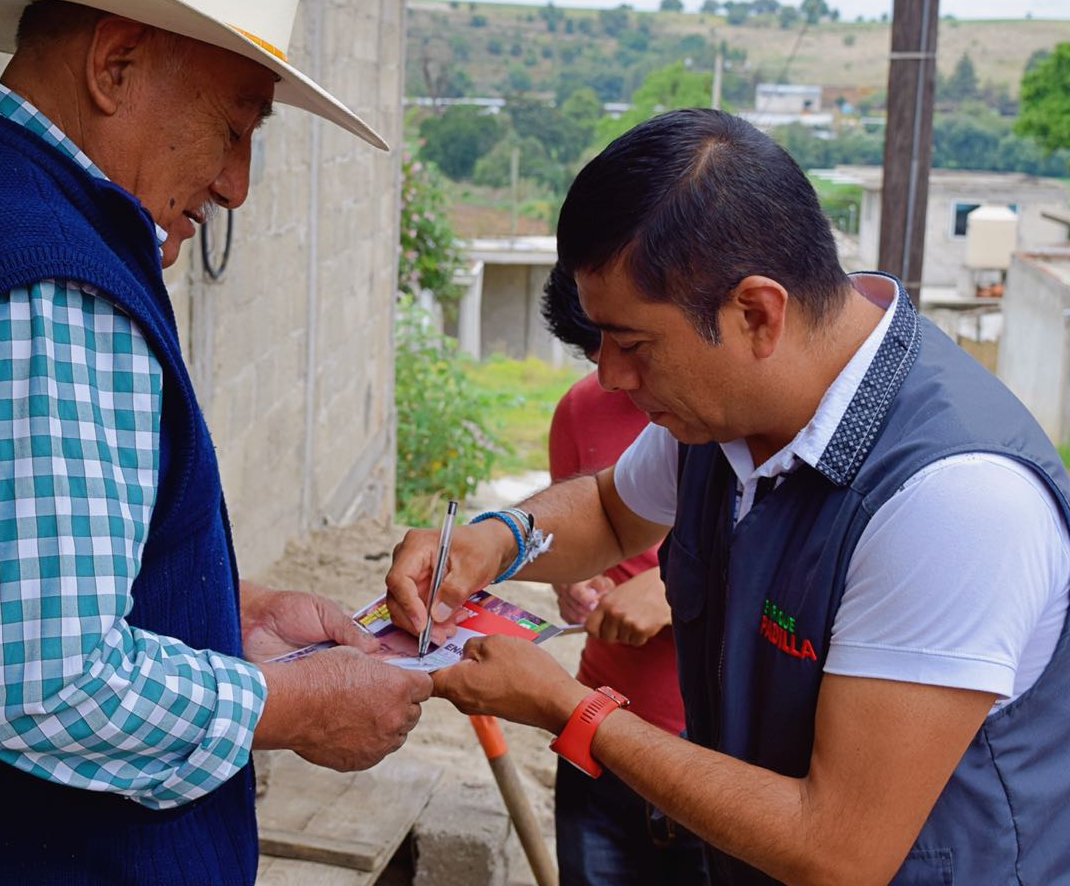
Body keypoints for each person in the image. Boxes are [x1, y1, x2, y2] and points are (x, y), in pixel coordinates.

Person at [0, 0, 431, 884]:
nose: (237, 185)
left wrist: (212, 610)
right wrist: (284, 708)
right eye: (235, 127)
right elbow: (43, 687)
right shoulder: (43, 288)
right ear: (115, 62)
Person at [387, 108, 1070, 885]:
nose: (609, 376)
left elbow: (837, 851)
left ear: (756, 313)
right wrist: (496, 541)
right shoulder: (729, 421)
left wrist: (572, 711)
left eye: (632, 344)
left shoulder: (954, 502)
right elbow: (613, 511)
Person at [541, 266, 706, 885]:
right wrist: (573, 585)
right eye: (594, 355)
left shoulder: (725, 414)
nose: (615, 377)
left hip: (704, 747)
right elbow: (589, 530)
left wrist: (672, 584)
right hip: (599, 722)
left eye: (630, 348)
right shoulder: (581, 409)